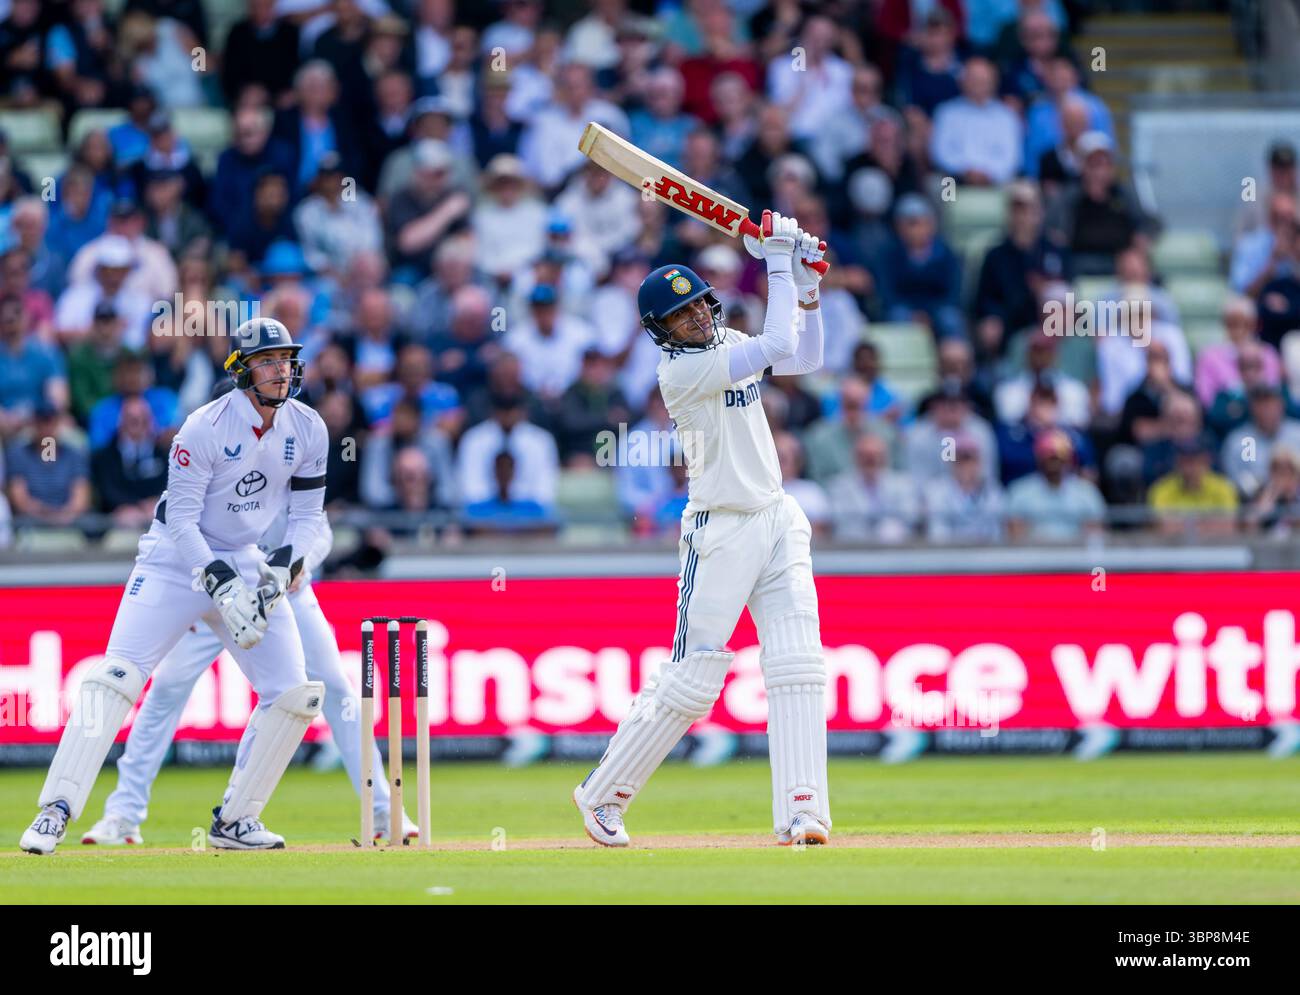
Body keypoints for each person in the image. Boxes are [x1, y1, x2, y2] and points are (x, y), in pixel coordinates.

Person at [19, 317, 329, 854]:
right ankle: (55, 811)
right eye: (268, 361)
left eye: (286, 360)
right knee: (116, 676)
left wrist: (280, 572)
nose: (281, 370)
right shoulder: (203, 428)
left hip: (245, 557)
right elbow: (182, 520)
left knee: (294, 694)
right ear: (242, 370)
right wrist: (219, 581)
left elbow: (306, 518)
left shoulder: (309, 427)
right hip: (173, 561)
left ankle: (236, 821)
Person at [574, 212, 832, 848]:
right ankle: (602, 794)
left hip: (776, 516)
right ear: (660, 332)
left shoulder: (722, 343)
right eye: (681, 317)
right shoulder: (680, 374)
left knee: (798, 665)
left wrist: (807, 287)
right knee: (693, 680)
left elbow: (803, 355)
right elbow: (774, 348)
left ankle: (803, 811)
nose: (696, 321)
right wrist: (776, 257)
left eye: (700, 309)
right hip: (719, 531)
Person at [81, 494, 418, 846]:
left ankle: (384, 811)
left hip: (280, 592)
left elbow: (320, 532)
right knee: (166, 689)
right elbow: (184, 521)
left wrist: (300, 564)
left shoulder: (295, 452)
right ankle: (122, 815)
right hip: (217, 591)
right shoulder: (222, 450)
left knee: (336, 689)